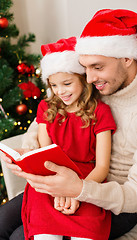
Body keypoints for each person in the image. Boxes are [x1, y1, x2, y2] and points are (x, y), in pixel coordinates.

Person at [1, 8, 137, 240]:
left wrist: (78, 191)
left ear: (127, 58)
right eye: (85, 68)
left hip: (114, 197)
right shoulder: (94, 85)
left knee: (21, 236)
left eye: (97, 67)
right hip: (67, 177)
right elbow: (45, 121)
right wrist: (32, 153)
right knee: (3, 221)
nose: (89, 78)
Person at [6, 36, 117, 240]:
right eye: (54, 85)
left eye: (67, 83)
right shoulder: (46, 109)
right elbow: (44, 158)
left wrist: (77, 191)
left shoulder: (101, 112)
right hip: (50, 181)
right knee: (45, 236)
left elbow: (101, 168)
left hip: (87, 180)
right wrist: (58, 190)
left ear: (83, 79)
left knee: (85, 235)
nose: (60, 92)